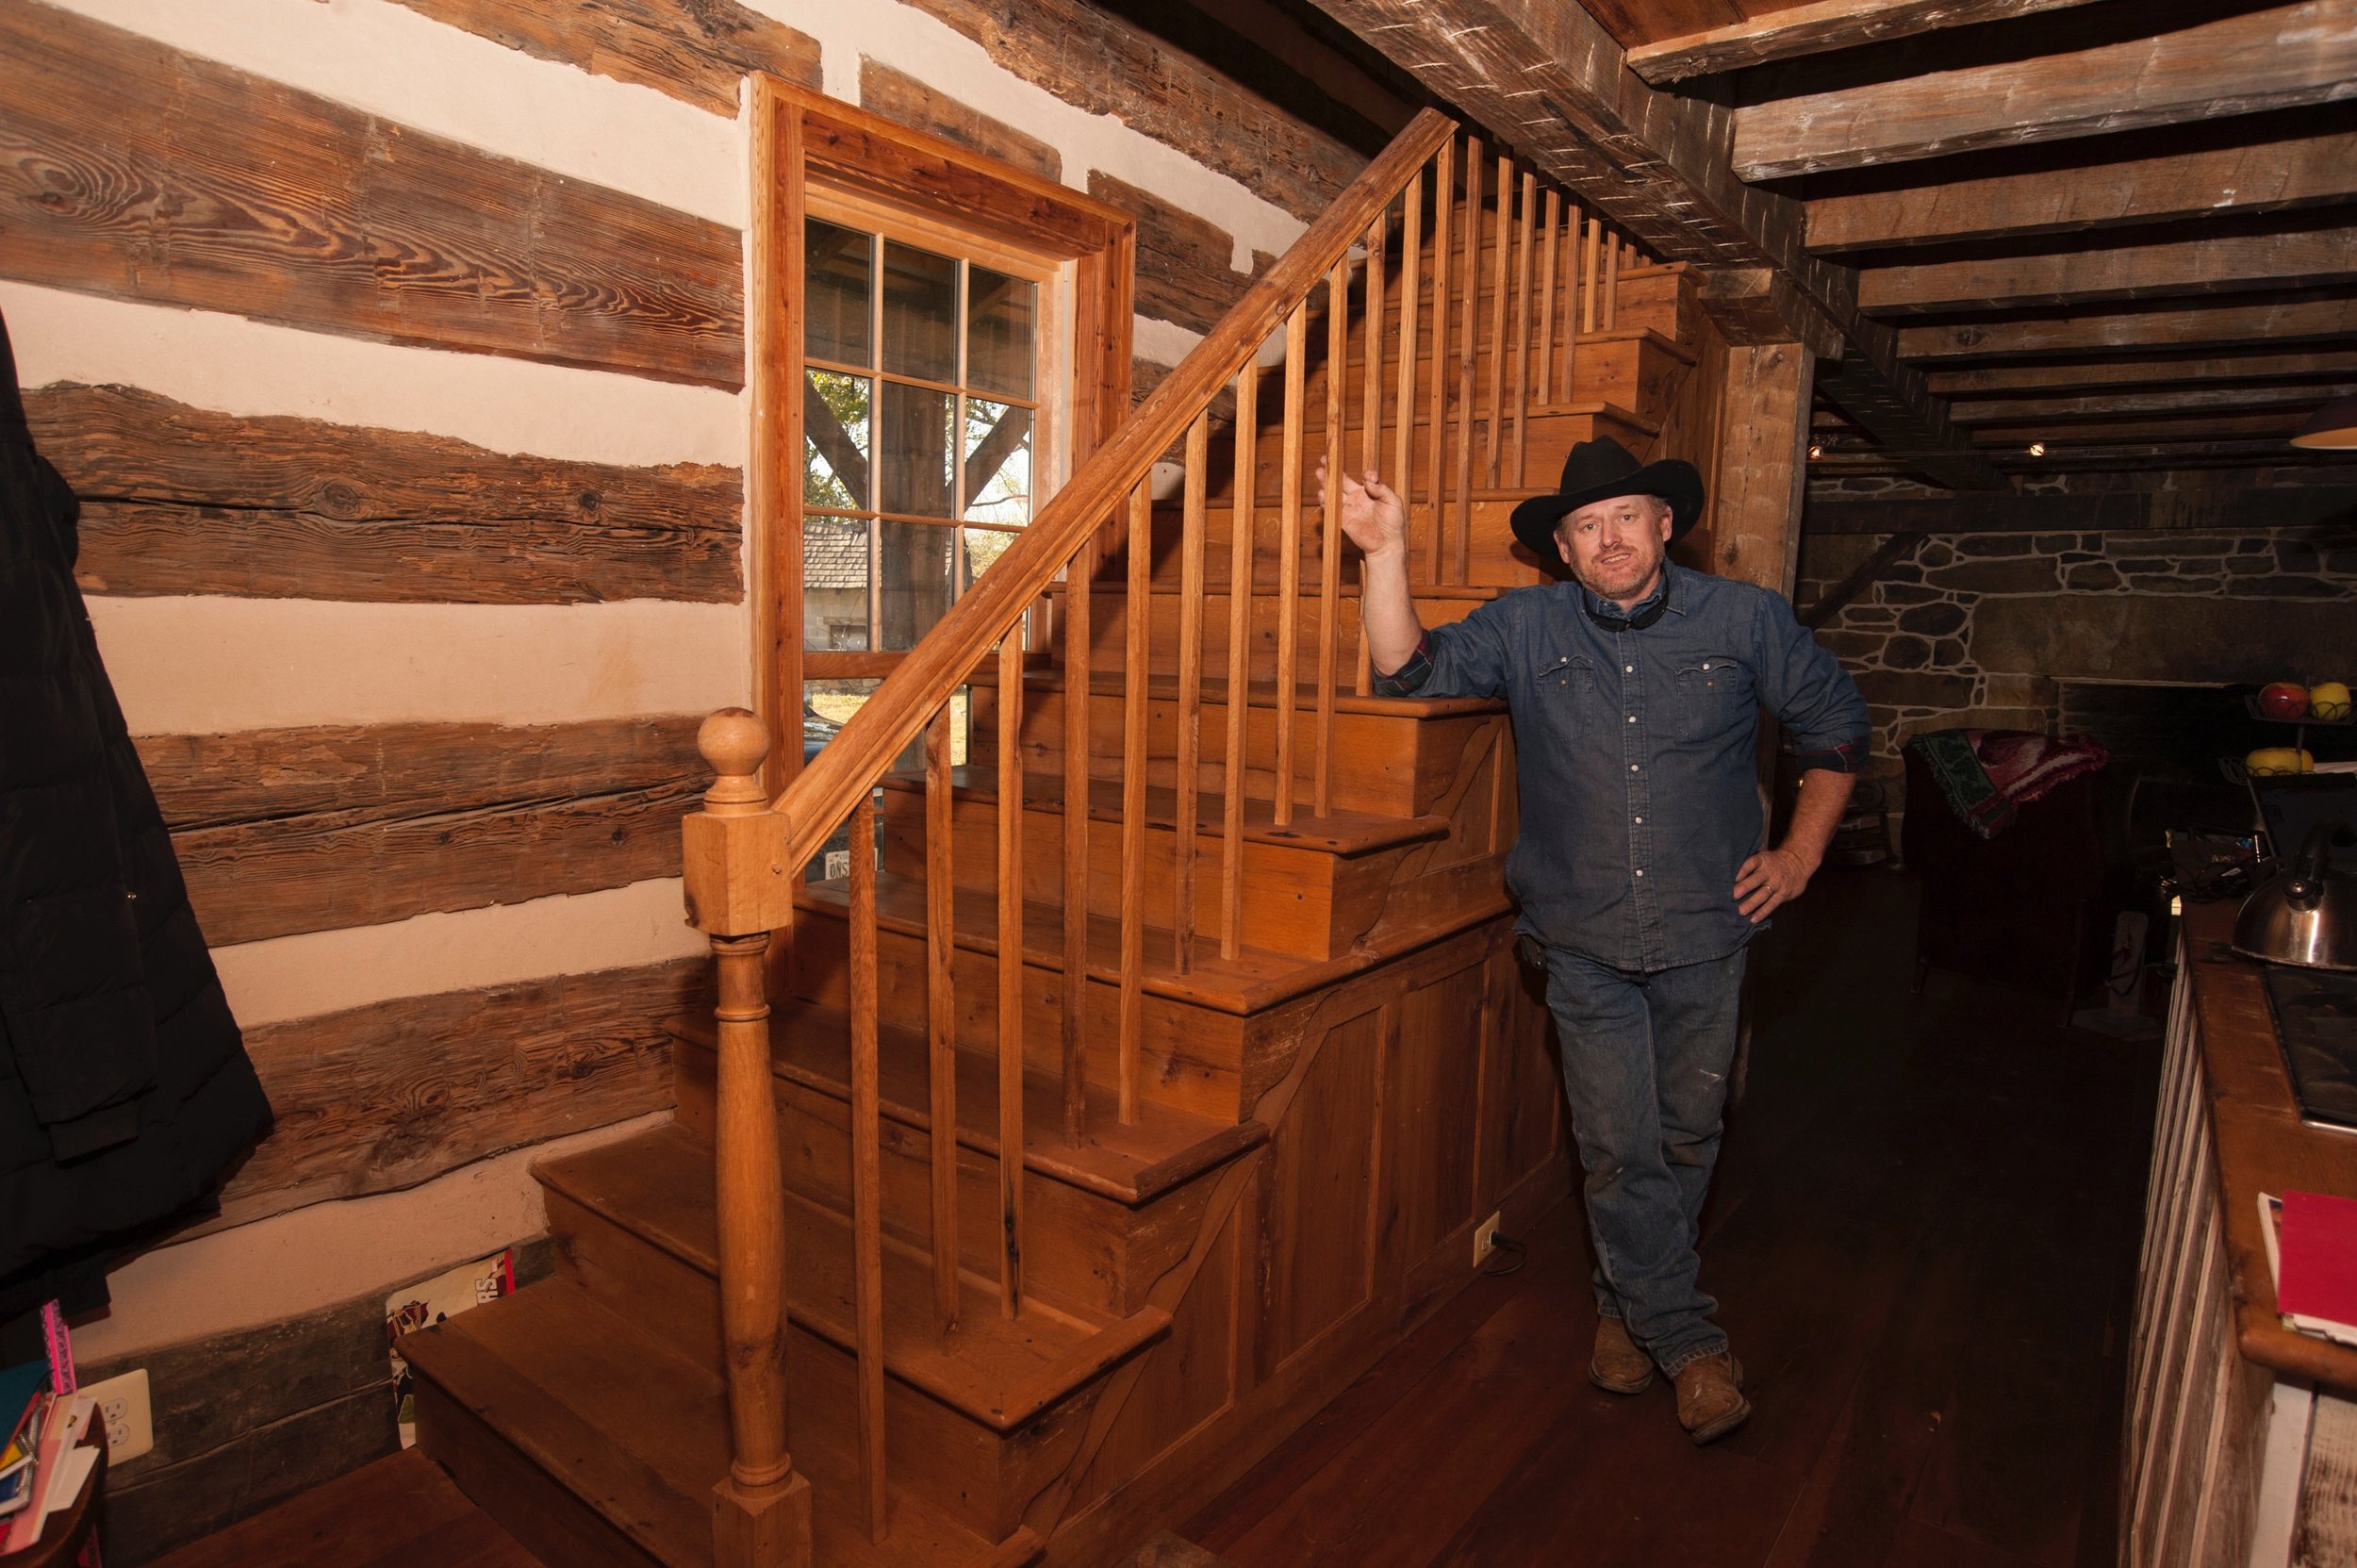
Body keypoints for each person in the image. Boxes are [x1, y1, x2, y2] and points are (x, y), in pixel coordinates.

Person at [1322, 437, 1868, 1444]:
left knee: (1684, 1134)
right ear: (1562, 552)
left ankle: (1625, 1314)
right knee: (1618, 1146)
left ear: (1665, 524)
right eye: (1584, 526)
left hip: (1712, 930)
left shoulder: (1744, 620)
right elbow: (1405, 671)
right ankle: (1689, 1341)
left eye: (1624, 516)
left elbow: (1835, 725)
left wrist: (1799, 853)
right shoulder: (1525, 627)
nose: (1607, 537)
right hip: (1579, 937)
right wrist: (1381, 552)